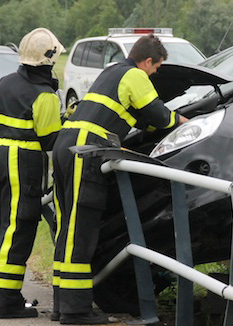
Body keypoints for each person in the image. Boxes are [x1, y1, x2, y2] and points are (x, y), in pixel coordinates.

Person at [51, 34, 187, 324]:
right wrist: (182, 121)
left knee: (67, 225)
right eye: (157, 68)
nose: (155, 74)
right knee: (82, 228)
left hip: (67, 145)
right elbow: (157, 115)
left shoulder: (112, 71)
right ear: (148, 60)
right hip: (86, 149)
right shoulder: (135, 75)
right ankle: (76, 312)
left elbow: (133, 116)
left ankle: (61, 305)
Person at [0, 27, 64, 318]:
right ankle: (6, 302)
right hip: (18, 160)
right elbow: (51, 139)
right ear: (49, 59)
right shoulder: (45, 95)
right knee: (18, 228)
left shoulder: (5, 82)